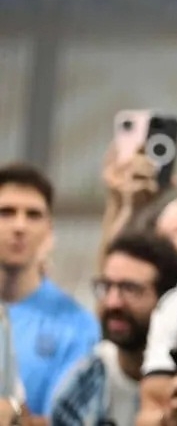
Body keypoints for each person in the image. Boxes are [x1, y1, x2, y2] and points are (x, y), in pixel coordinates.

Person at [51, 232, 177, 425]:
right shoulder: (86, 382)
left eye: (130, 289)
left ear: (167, 301)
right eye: (106, 286)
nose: (113, 302)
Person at [0, 163, 101, 422]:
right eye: (6, 212)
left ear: (49, 229)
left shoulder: (78, 326)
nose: (20, 226)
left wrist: (13, 414)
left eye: (33, 215)